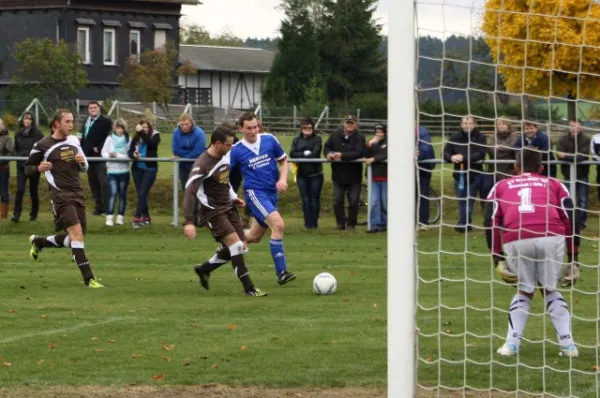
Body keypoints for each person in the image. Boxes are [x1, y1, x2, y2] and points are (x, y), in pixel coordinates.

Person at [485, 147, 578, 357]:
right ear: (542, 168)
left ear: (515, 167)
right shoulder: (554, 183)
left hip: (516, 236)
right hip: (550, 234)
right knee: (549, 289)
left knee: (525, 290)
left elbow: (491, 222)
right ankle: (568, 345)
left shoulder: (500, 186)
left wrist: (497, 258)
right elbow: (570, 218)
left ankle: (511, 345)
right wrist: (574, 259)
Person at [201, 112, 296, 286]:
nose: (253, 131)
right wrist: (229, 194)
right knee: (279, 225)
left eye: (255, 127)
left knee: (253, 236)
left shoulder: (269, 140)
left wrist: (282, 179)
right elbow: (222, 173)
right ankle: (281, 273)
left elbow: (283, 161)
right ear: (241, 129)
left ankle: (213, 260)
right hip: (255, 193)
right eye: (249, 128)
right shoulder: (236, 150)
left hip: (271, 194)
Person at [184, 125, 267, 297]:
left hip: (228, 207)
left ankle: (204, 269)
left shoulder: (225, 155)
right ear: (217, 143)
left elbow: (224, 181)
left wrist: (233, 197)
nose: (231, 148)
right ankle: (249, 289)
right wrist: (189, 221)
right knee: (236, 246)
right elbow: (189, 191)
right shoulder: (202, 165)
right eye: (228, 145)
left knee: (242, 247)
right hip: (212, 211)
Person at [25, 109, 104, 288]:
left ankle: (40, 241)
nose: (71, 125)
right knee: (76, 235)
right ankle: (89, 279)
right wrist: (38, 168)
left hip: (77, 193)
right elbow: (27, 168)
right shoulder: (42, 145)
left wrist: (82, 162)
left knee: (75, 238)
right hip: (60, 196)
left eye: (72, 121)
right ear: (57, 124)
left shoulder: (74, 140)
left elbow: (85, 167)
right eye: (67, 122)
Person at [443, 116, 488, 232]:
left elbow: (481, 154)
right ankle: (465, 223)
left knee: (470, 199)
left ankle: (464, 223)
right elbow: (445, 153)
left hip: (475, 174)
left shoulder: (480, 137)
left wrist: (464, 158)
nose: (468, 125)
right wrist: (451, 157)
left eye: (470, 123)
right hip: (459, 174)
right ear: (461, 124)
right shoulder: (455, 137)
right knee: (462, 199)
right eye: (465, 123)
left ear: (475, 124)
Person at [323, 115, 366, 230]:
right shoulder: (334, 135)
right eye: (348, 122)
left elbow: (359, 152)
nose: (349, 125)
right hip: (338, 174)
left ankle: (351, 224)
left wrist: (342, 155)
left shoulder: (360, 137)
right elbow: (327, 147)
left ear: (356, 124)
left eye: (352, 122)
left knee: (353, 201)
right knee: (337, 201)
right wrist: (328, 154)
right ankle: (340, 224)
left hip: (354, 175)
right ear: (343, 123)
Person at [172, 113, 206, 225]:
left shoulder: (199, 133)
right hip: (183, 167)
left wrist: (183, 156)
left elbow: (199, 151)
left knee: (198, 192)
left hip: (197, 166)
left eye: (186, 124)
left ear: (191, 123)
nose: (184, 126)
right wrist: (186, 155)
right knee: (187, 192)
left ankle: (200, 218)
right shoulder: (176, 133)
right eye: (182, 124)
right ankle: (190, 218)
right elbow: (175, 149)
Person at [289, 117, 323, 229]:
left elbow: (315, 153)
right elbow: (292, 154)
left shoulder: (317, 139)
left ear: (313, 128)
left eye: (309, 127)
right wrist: (305, 153)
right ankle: (307, 223)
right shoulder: (296, 140)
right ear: (301, 128)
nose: (307, 129)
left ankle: (314, 223)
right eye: (304, 127)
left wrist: (302, 154)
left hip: (315, 174)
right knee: (305, 199)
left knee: (314, 199)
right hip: (301, 174)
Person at [79, 101, 112, 215]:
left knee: (103, 182)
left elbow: (108, 136)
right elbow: (83, 136)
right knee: (93, 183)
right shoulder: (86, 121)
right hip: (88, 156)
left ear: (99, 109)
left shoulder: (105, 121)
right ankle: (98, 208)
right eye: (90, 108)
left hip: (100, 156)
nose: (92, 109)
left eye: (94, 107)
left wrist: (99, 147)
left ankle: (107, 208)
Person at [557, 119, 590, 229]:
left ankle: (580, 222)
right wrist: (571, 157)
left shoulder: (586, 139)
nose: (573, 129)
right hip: (567, 174)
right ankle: (568, 221)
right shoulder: (562, 139)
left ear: (581, 128)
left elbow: (582, 156)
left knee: (582, 200)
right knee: (567, 199)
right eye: (571, 126)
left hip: (582, 174)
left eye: (576, 126)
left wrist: (566, 156)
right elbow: (559, 155)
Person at [128, 119, 161, 228]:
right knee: (141, 194)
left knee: (142, 192)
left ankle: (136, 219)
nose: (144, 129)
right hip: (137, 169)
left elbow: (151, 144)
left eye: (146, 127)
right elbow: (130, 151)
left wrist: (141, 132)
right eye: (143, 127)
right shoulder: (136, 138)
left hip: (150, 169)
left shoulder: (156, 136)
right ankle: (146, 217)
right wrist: (134, 155)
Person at [12, 112, 44, 223]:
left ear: (32, 121)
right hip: (21, 166)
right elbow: (15, 148)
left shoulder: (38, 134)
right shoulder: (17, 134)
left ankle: (33, 215)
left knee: (33, 190)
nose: (27, 121)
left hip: (33, 166)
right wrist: (17, 156)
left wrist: (37, 161)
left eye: (30, 119)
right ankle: (16, 214)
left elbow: (42, 148)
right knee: (20, 189)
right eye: (26, 119)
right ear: (23, 120)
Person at [101, 119, 131, 227]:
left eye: (122, 128)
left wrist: (117, 155)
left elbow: (129, 155)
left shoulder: (128, 139)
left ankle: (120, 217)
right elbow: (103, 152)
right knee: (113, 193)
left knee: (122, 194)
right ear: (115, 128)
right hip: (112, 171)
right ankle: (109, 217)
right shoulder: (109, 139)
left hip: (124, 171)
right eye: (118, 128)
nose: (120, 130)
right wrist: (109, 155)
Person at [365, 124, 388, 233]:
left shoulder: (389, 142)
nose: (379, 134)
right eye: (377, 132)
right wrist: (369, 145)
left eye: (381, 132)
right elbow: (365, 155)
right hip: (373, 176)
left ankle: (385, 223)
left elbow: (386, 154)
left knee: (384, 201)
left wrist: (374, 158)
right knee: (374, 201)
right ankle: (374, 224)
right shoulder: (372, 142)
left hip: (386, 176)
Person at [416, 125, 435, 230]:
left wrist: (417, 154)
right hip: (408, 167)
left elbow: (425, 149)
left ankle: (423, 221)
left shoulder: (422, 131)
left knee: (422, 193)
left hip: (423, 167)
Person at [0, 118, 14, 220]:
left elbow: (11, 152)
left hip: (3, 168)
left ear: (2, 125)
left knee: (3, 192)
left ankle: (3, 217)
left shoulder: (7, 138)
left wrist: (2, 160)